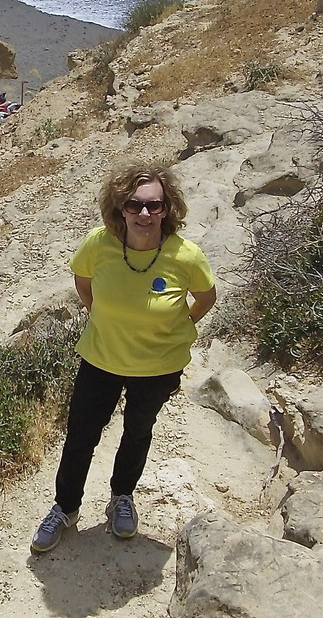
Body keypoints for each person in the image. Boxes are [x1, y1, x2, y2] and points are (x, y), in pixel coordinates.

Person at [31, 162, 216, 553]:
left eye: (154, 205)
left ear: (168, 209)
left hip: (159, 366)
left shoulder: (186, 256)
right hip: (101, 358)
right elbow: (83, 283)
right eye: (134, 205)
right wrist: (103, 315)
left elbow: (205, 298)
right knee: (81, 437)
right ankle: (65, 508)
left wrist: (175, 326)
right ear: (120, 208)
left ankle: (122, 497)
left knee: (137, 430)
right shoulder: (99, 244)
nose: (145, 214)